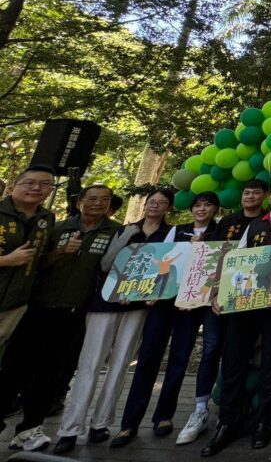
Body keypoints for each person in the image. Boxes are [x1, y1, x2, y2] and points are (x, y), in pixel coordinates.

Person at [53, 188, 174, 455]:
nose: (155, 206)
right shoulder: (125, 229)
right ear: (144, 204)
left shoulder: (171, 235)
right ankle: (70, 428)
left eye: (161, 203)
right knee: (90, 363)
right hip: (107, 300)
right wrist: (126, 240)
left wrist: (158, 292)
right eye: (151, 201)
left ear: (168, 208)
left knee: (120, 364)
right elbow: (106, 264)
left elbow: (169, 269)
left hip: (141, 304)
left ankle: (101, 424)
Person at [0, 184, 117, 452]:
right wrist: (59, 252)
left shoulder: (114, 232)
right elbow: (35, 263)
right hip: (37, 308)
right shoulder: (55, 227)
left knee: (51, 373)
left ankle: (29, 427)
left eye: (104, 200)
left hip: (74, 313)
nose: (98, 204)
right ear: (79, 203)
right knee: (15, 368)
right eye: (92, 199)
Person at [201, 179, 271, 456]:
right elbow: (235, 259)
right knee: (234, 359)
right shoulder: (257, 224)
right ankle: (226, 423)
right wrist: (220, 293)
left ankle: (264, 421)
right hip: (245, 301)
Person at [111, 192, 220, 446]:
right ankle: (129, 423)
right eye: (198, 205)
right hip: (163, 301)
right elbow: (161, 262)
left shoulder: (219, 234)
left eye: (207, 205)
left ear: (214, 209)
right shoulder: (176, 232)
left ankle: (164, 416)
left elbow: (216, 268)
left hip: (192, 304)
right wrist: (150, 292)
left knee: (179, 360)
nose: (202, 209)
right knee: (148, 357)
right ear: (191, 209)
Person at [176, 179, 268, 446]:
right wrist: (210, 293)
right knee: (211, 349)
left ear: (264, 196)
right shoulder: (226, 223)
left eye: (255, 192)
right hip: (218, 299)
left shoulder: (268, 222)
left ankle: (234, 412)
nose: (250, 196)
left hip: (252, 298)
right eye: (246, 192)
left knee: (244, 355)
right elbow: (212, 259)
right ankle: (202, 409)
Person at [0, 165, 57, 349]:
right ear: (13, 186)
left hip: (15, 300)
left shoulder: (47, 218)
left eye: (45, 184)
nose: (36, 188)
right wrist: (6, 260)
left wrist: (61, 251)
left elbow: (40, 259)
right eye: (30, 183)